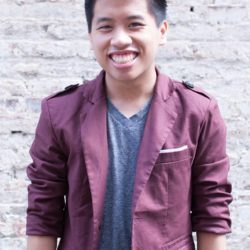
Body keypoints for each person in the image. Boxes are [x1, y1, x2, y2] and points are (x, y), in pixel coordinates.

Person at [26, 0, 232, 249]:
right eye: (106, 27)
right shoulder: (59, 112)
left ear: (162, 31)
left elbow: (212, 210)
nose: (121, 39)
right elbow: (43, 211)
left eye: (134, 25)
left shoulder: (198, 111)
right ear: (90, 37)